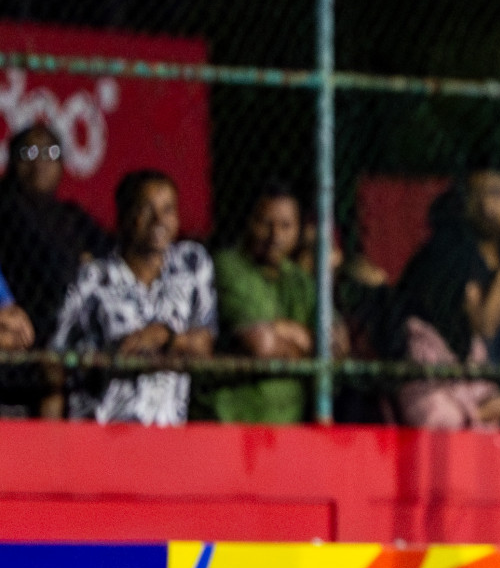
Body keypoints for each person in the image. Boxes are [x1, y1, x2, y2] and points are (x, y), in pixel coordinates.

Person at [50, 170, 215, 425]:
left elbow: (205, 342)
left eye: (168, 209)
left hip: (167, 432)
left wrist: (164, 337)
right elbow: (55, 362)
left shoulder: (192, 265)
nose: (159, 220)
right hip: (101, 431)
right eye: (146, 209)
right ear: (124, 216)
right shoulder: (94, 278)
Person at [391, 164, 500, 430]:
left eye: (498, 193)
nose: (489, 205)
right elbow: (486, 324)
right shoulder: (449, 256)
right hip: (441, 401)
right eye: (480, 195)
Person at [0, 123, 111, 415]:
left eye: (49, 152)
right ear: (12, 159)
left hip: (66, 339)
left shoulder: (70, 217)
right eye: (30, 152)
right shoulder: (6, 207)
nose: (40, 162)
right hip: (16, 339)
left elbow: (107, 260)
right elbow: (52, 266)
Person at [207, 182, 323, 424]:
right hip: (231, 423)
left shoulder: (299, 279)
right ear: (249, 221)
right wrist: (306, 342)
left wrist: (277, 330)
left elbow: (334, 344)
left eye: (286, 226)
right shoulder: (227, 266)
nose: (275, 236)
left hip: (289, 427)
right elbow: (260, 344)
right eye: (265, 223)